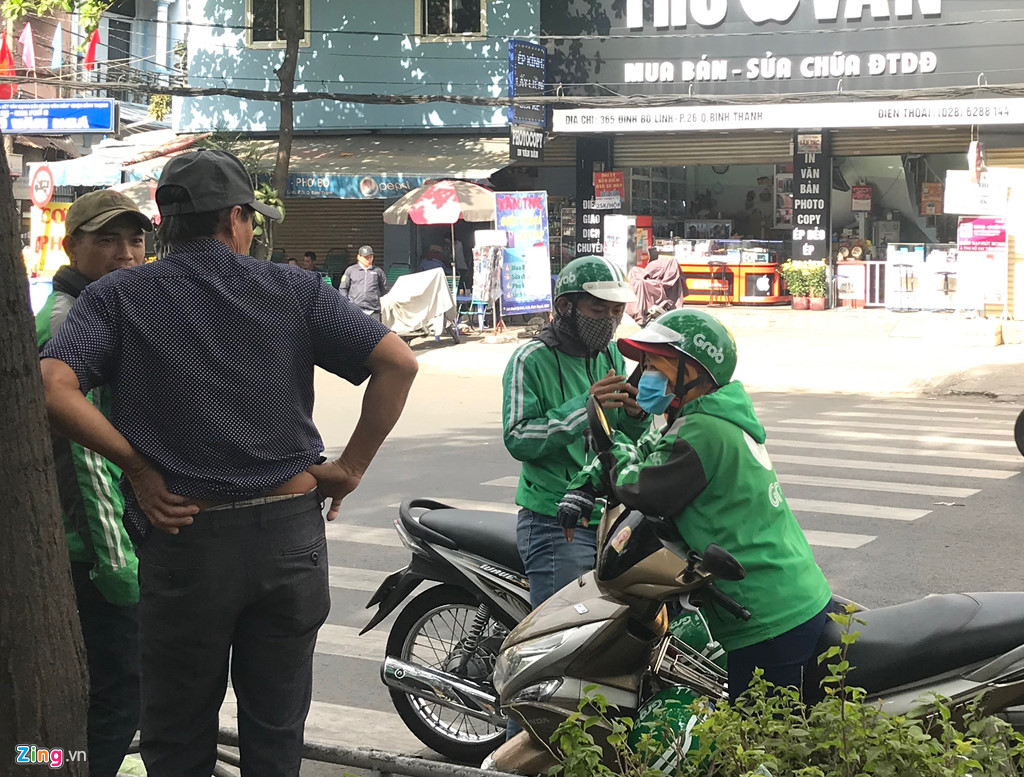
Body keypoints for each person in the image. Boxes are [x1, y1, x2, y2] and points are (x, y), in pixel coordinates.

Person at [39, 149, 419, 777]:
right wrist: (351, 467)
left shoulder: (119, 296)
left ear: (164, 224)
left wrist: (139, 469)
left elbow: (54, 387)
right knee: (275, 735)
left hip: (186, 539)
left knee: (177, 737)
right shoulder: (295, 289)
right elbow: (398, 362)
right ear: (235, 218)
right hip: (289, 539)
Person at [560, 309, 832, 702]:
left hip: (767, 611)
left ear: (692, 371)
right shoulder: (705, 416)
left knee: (761, 732)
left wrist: (607, 453)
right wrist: (589, 481)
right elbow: (644, 451)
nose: (643, 377)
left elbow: (640, 485)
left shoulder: (703, 431)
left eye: (655, 366)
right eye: (644, 366)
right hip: (782, 591)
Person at [35, 188, 152, 777]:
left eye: (135, 239)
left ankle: (42, 763)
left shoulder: (99, 310)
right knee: (119, 698)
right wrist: (118, 565)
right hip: (91, 550)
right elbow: (85, 462)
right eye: (106, 240)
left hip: (79, 545)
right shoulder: (70, 321)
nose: (125, 253)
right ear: (70, 247)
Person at [502, 255, 650, 611]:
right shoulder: (530, 359)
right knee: (564, 627)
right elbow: (518, 438)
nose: (609, 321)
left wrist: (635, 414)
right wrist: (585, 408)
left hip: (611, 516)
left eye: (616, 311)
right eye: (598, 310)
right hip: (555, 520)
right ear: (565, 307)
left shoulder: (611, 355)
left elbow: (618, 436)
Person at [339, 244, 388, 321]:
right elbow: (343, 288)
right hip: (355, 310)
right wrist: (348, 303)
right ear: (359, 257)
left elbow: (384, 290)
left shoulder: (378, 271)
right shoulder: (350, 270)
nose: (368, 259)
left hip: (374, 311)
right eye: (365, 257)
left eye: (370, 257)